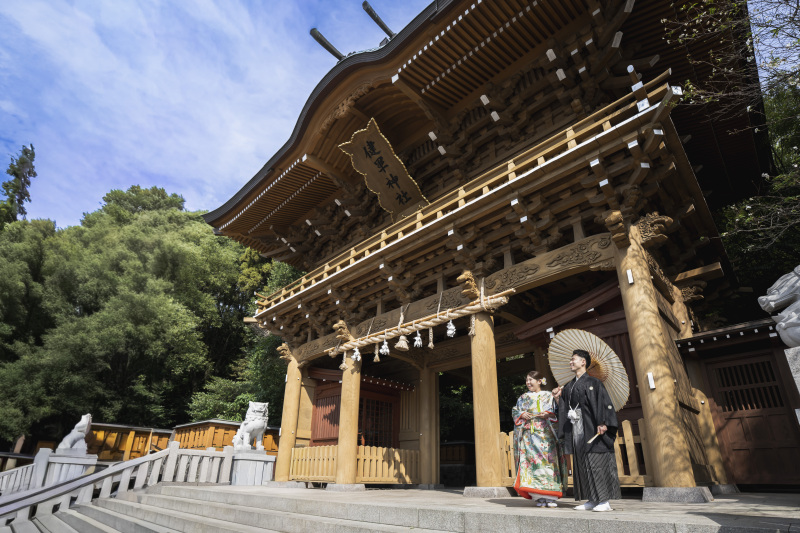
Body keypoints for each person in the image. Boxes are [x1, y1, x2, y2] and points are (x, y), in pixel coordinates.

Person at [553, 349, 621, 512]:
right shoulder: (569, 386)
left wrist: (603, 422)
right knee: (582, 463)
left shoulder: (594, 383)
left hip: (591, 426)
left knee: (596, 463)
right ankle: (592, 499)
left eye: (573, 359)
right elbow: (564, 406)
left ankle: (604, 501)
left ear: (583, 362)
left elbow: (604, 403)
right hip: (576, 428)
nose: (570, 362)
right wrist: (557, 398)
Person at [511, 370, 568, 507]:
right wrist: (522, 414)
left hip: (546, 434)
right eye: (527, 380)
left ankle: (551, 495)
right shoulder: (523, 397)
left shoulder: (549, 395)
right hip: (529, 435)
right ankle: (538, 496)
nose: (528, 382)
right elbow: (515, 411)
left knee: (549, 462)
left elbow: (557, 412)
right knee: (532, 464)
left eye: (531, 380)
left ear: (539, 381)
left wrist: (548, 414)